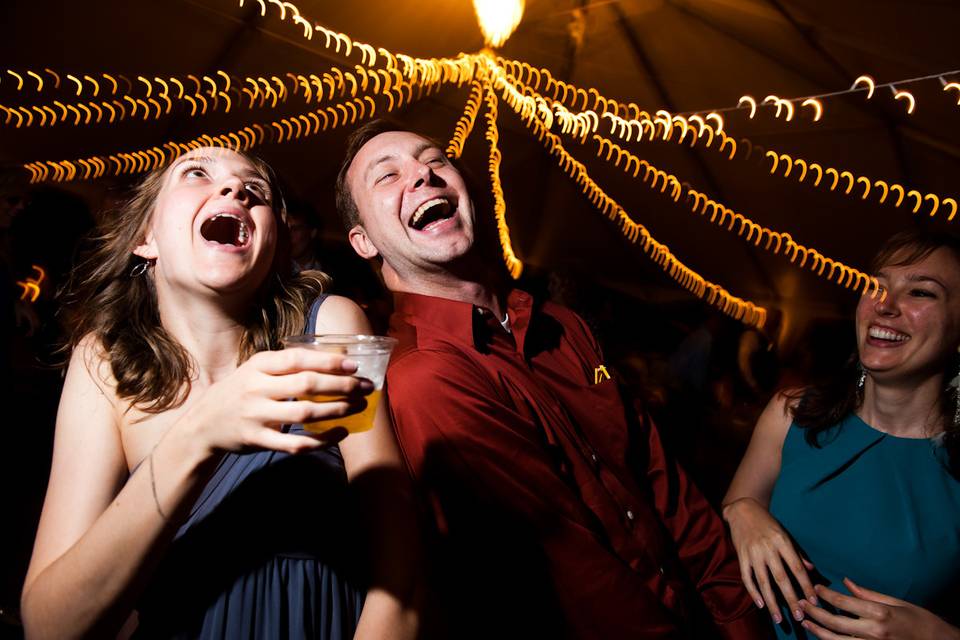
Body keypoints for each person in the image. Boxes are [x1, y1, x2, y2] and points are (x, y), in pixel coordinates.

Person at [335, 120, 767, 639]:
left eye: (436, 160)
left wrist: (738, 619)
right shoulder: (426, 375)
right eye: (387, 176)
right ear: (362, 242)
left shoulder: (562, 324)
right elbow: (573, 578)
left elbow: (662, 481)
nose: (423, 176)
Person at [19, 147, 419, 639]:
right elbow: (51, 627)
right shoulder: (104, 362)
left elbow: (400, 562)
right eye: (197, 174)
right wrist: (197, 437)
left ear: (274, 246)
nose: (235, 190)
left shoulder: (328, 328)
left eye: (258, 191)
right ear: (146, 238)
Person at [723, 230, 960, 640]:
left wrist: (937, 636)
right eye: (877, 286)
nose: (885, 305)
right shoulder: (791, 412)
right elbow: (734, 504)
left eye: (920, 292)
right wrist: (742, 511)